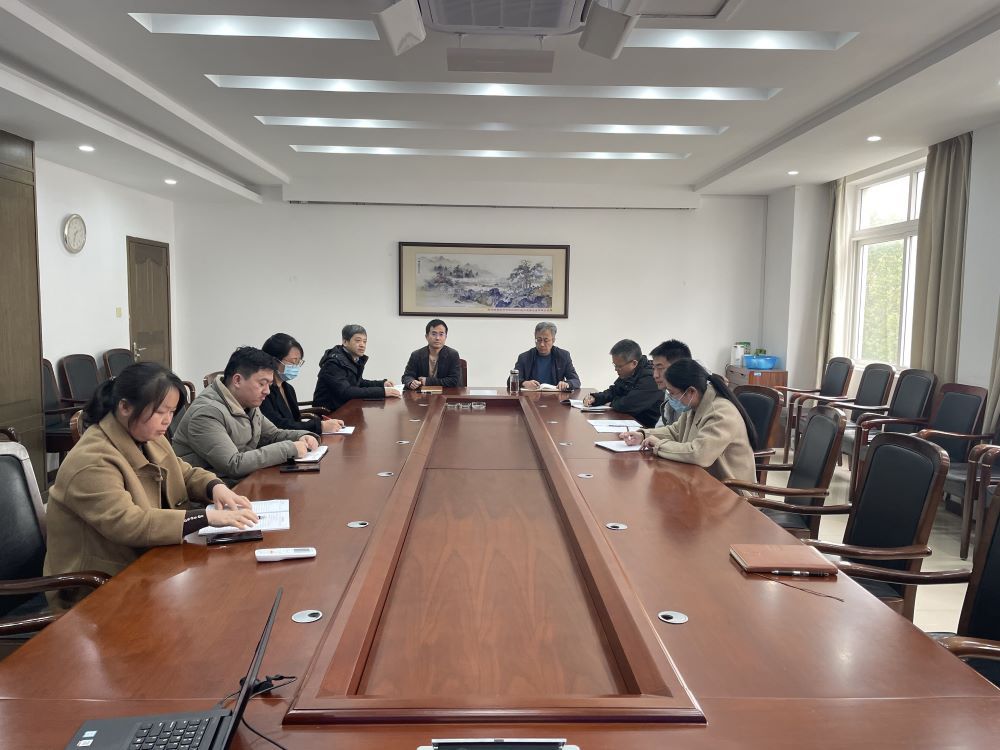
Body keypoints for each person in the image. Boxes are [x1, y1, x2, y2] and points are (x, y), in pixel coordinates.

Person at [43, 362, 259, 606]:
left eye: (172, 412)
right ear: (125, 407)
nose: (167, 420)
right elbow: (127, 523)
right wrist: (206, 517)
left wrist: (215, 487)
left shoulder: (146, 434)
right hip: (98, 588)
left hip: (149, 563)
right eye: (160, 412)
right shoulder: (92, 460)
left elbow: (183, 472)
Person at [173, 347, 319, 486]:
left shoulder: (247, 403)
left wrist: (302, 436)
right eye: (262, 384)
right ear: (237, 380)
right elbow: (233, 464)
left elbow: (272, 435)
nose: (267, 391)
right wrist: (288, 449)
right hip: (212, 493)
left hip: (243, 481)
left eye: (269, 384)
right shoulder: (206, 413)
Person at [621, 358, 757, 484]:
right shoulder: (695, 404)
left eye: (672, 393)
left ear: (691, 391)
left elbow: (699, 454)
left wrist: (659, 445)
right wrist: (644, 435)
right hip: (703, 480)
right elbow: (675, 431)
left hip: (731, 490)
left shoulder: (720, 413)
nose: (670, 397)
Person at [260, 332, 346, 434]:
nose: (296, 367)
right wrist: (319, 426)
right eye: (293, 362)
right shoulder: (263, 391)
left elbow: (295, 422)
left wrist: (324, 424)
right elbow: (277, 425)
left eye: (298, 362)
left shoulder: (288, 388)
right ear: (274, 361)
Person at [313, 324, 401, 411]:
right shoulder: (333, 363)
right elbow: (346, 391)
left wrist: (382, 384)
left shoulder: (352, 359)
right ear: (345, 342)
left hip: (347, 408)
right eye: (358, 340)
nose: (362, 345)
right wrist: (382, 391)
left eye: (364, 341)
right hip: (330, 413)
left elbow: (358, 382)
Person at [583, 339, 662, 427]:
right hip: (626, 421)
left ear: (634, 363)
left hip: (644, 427)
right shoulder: (630, 373)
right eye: (614, 365)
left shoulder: (651, 378)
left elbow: (628, 405)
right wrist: (595, 398)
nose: (616, 369)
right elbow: (614, 391)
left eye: (619, 366)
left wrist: (611, 403)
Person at [513, 321, 581, 391]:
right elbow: (511, 380)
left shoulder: (563, 356)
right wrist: (524, 383)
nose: (542, 344)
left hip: (555, 396)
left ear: (553, 340)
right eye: (539, 340)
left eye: (546, 340)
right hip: (531, 396)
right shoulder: (524, 357)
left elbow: (576, 381)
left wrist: (567, 384)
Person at [402, 319, 462, 389]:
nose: (437, 338)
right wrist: (411, 382)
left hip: (446, 393)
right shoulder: (416, 355)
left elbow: (454, 380)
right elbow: (406, 377)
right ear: (426, 336)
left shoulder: (453, 355)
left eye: (441, 334)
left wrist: (428, 381)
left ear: (446, 337)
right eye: (434, 334)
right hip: (421, 394)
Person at [649, 339, 692, 427]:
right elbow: (663, 425)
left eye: (660, 368)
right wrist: (644, 433)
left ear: (679, 367)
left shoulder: (699, 394)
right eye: (654, 368)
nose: (655, 375)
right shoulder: (669, 391)